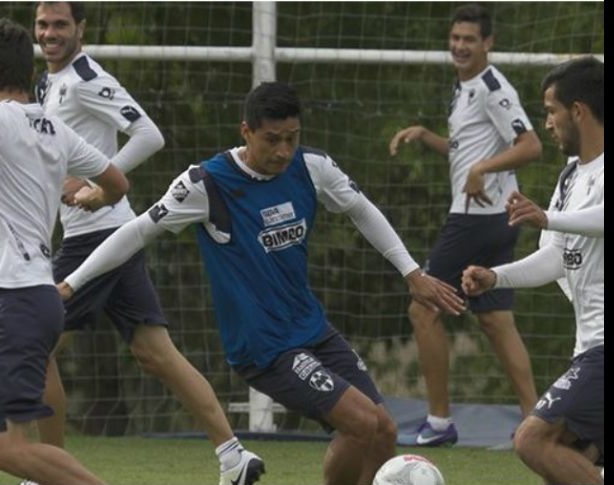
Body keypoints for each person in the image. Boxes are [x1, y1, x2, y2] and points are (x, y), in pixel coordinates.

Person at [56, 81, 466, 485]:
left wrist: (412, 272)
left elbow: (362, 210)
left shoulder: (312, 167)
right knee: (361, 422)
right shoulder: (206, 184)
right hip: (264, 346)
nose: (283, 151)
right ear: (246, 131)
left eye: (292, 138)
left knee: (384, 430)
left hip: (312, 328)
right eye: (272, 140)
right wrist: (72, 284)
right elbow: (136, 232)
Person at [32, 3, 263, 484]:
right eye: (42, 25)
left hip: (100, 235)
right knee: (155, 352)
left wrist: (100, 186)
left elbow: (148, 135)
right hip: (104, 235)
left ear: (81, 29)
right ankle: (234, 457)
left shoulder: (87, 76)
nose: (50, 33)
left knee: (34, 344)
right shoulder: (48, 83)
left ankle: (46, 472)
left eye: (60, 25)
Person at [0, 18, 130, 485]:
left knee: (5, 450)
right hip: (26, 299)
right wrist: (94, 196)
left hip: (16, 301)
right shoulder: (54, 127)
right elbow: (117, 182)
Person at [388, 3, 543, 446]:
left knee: (423, 307)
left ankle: (438, 423)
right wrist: (426, 135)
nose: (459, 46)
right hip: (495, 218)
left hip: (476, 217)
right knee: (495, 318)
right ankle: (535, 423)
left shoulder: (493, 85)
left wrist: (482, 170)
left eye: (469, 39)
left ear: (488, 43)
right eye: (455, 38)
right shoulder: (464, 87)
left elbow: (530, 145)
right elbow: (466, 148)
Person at [462, 56, 604, 484]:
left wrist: (548, 218)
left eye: (550, 110)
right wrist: (496, 276)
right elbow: (556, 257)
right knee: (559, 461)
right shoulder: (569, 177)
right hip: (590, 344)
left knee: (533, 441)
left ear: (577, 111)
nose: (547, 122)